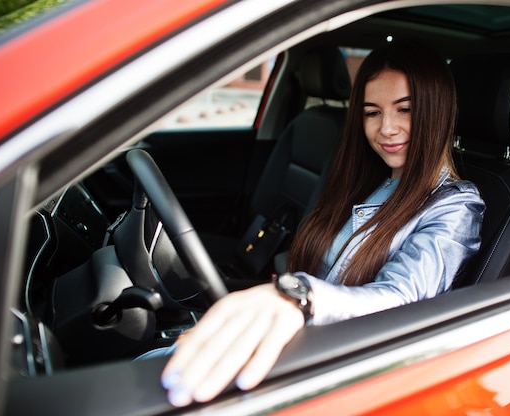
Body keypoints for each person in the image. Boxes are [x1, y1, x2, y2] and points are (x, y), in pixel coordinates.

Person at [160, 40, 485, 407]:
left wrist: (299, 297)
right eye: (372, 112)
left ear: (437, 111)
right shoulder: (370, 175)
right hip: (302, 340)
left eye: (405, 109)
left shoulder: (456, 206)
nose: (387, 129)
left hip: (340, 365)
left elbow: (402, 299)